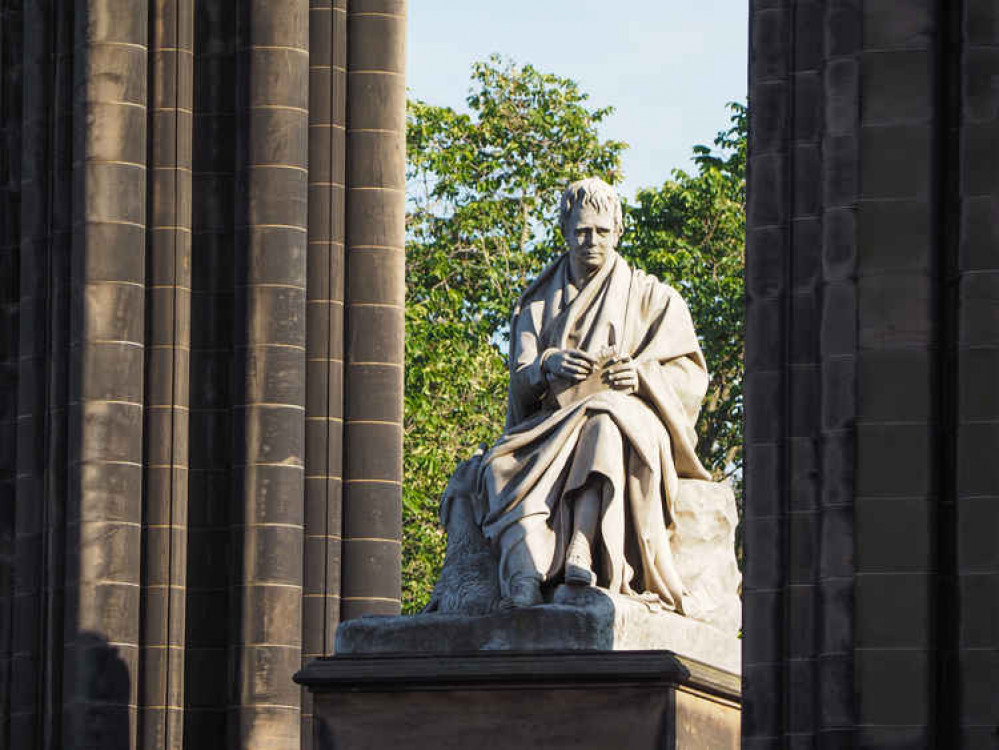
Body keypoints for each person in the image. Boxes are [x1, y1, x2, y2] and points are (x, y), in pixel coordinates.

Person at [476, 176, 712, 610]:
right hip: (545, 428)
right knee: (498, 467)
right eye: (581, 231)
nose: (591, 241)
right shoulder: (536, 304)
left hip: (627, 421)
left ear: (618, 231)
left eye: (602, 232)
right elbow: (519, 386)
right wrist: (546, 367)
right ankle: (523, 575)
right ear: (565, 232)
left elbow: (690, 377)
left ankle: (582, 547)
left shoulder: (653, 298)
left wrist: (640, 377)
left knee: (603, 420)